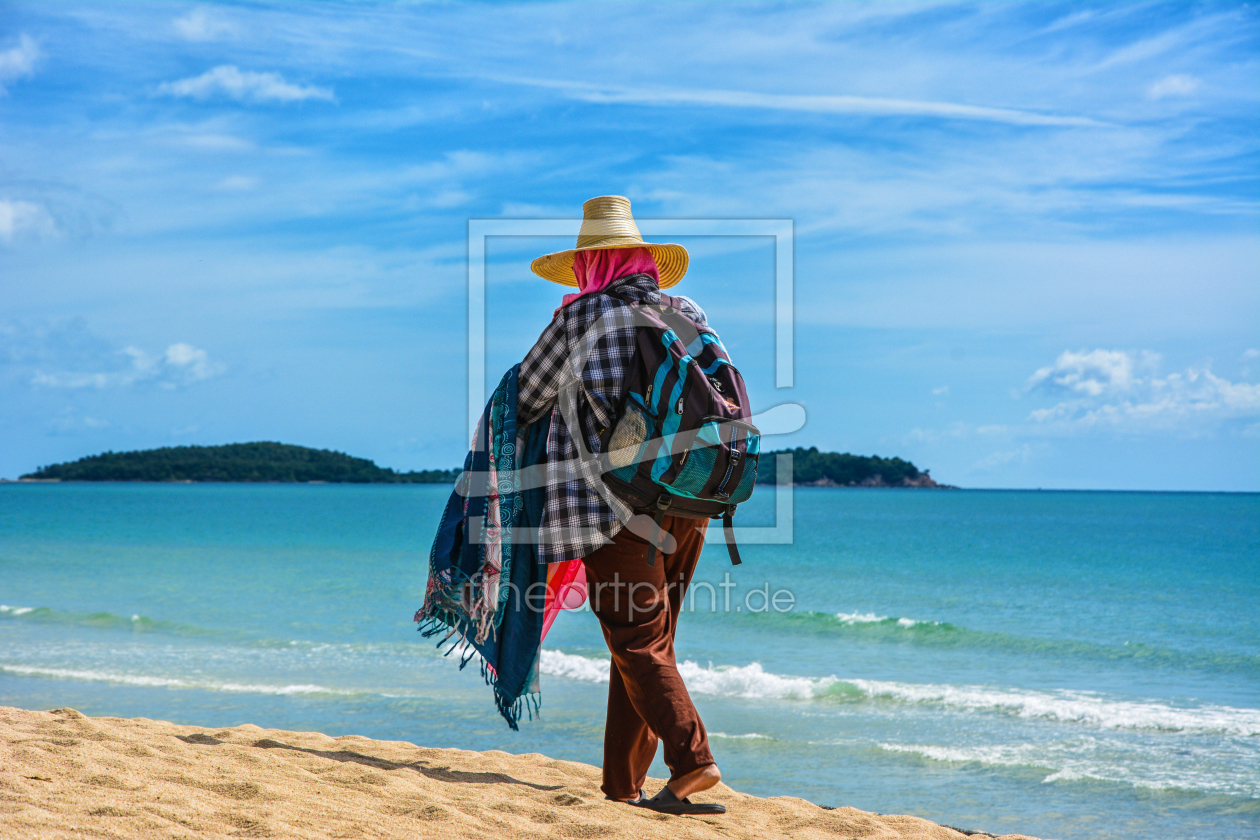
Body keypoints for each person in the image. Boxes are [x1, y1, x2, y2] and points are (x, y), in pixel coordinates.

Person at [517, 195, 726, 816]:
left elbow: (527, 396)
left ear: (590, 263)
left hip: (619, 505)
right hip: (689, 499)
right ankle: (622, 786)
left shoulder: (580, 318)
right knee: (646, 642)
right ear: (640, 258)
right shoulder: (686, 311)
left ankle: (693, 762)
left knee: (636, 642)